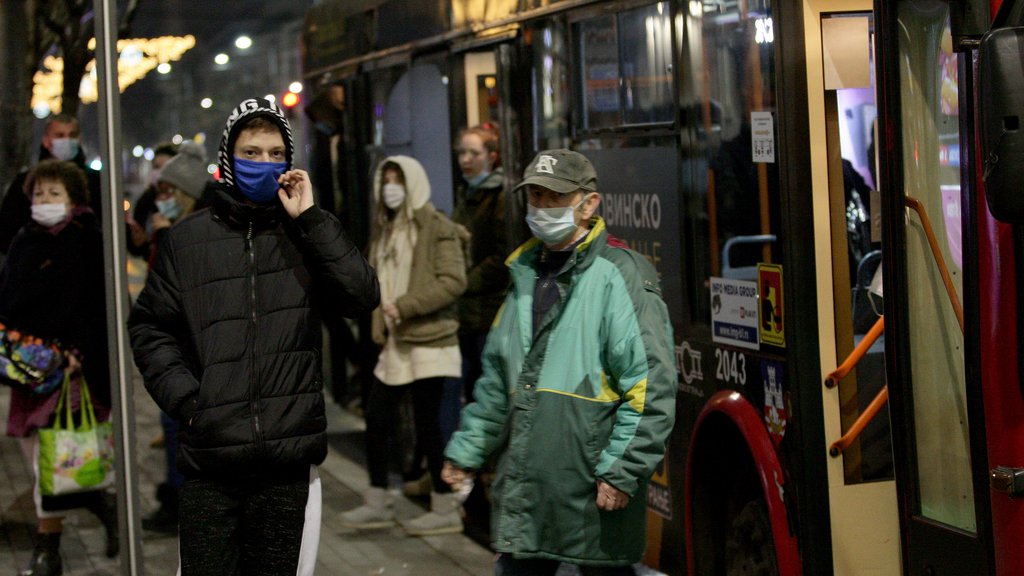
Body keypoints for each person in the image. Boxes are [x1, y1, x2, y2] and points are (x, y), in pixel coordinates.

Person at [127, 97, 380, 575]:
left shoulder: (306, 235)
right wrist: (188, 401)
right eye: (250, 152)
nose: (263, 163)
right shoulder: (187, 241)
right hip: (211, 462)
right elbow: (150, 326)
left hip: (286, 465)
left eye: (274, 154)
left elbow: (361, 297)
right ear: (228, 157)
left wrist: (311, 219)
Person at [442, 149, 677, 575]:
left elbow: (651, 386)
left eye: (554, 196)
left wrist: (622, 471)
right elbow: (497, 381)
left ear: (589, 204)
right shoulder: (525, 274)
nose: (542, 207)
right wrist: (466, 452)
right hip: (531, 496)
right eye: (534, 196)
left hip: (591, 491)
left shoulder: (620, 274)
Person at [0, 159, 118, 576]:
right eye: (38, 193)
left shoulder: (87, 239)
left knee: (48, 464)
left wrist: (78, 353)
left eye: (54, 193)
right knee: (50, 460)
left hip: (71, 371)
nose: (44, 201)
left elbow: (98, 303)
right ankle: (100, 503)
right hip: (27, 370)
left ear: (73, 198)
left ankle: (47, 552)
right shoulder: (23, 240)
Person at [339, 155, 467, 536]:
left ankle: (444, 506)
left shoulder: (437, 227)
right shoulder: (385, 230)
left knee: (430, 426)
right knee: (377, 418)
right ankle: (378, 498)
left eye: (398, 179)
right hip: (396, 342)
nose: (391, 187)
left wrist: (406, 306)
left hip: (430, 340)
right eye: (385, 180)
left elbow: (453, 280)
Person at [136, 139, 212, 535]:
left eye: (169, 192)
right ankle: (178, 498)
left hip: (190, 355)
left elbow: (181, 290)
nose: (162, 198)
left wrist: (164, 238)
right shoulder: (176, 225)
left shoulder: (190, 233)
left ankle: (183, 503)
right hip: (178, 354)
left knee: (178, 432)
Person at [450, 123, 508, 404]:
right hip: (469, 312)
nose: (465, 160)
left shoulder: (500, 196)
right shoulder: (468, 194)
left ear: (492, 156)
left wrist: (463, 282)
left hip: (490, 310)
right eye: (462, 153)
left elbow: (503, 257)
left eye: (474, 153)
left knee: (487, 390)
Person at [0, 114, 102, 256]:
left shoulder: (96, 181)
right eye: (60, 135)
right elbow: (7, 229)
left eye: (72, 135)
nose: (66, 140)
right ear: (46, 141)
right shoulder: (26, 180)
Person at [127, 141, 179, 257]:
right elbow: (137, 248)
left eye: (164, 167)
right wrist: (140, 242)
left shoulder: (185, 200)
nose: (159, 172)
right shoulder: (146, 200)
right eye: (156, 167)